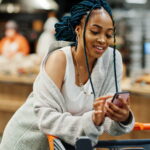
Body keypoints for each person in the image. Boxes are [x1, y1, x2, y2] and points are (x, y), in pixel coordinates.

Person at [0, 0, 135, 150]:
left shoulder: (111, 59)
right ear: (78, 30)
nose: (103, 40)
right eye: (95, 32)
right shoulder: (59, 59)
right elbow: (46, 118)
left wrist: (122, 117)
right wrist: (91, 120)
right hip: (26, 141)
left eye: (109, 34)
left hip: (62, 145)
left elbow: (105, 119)